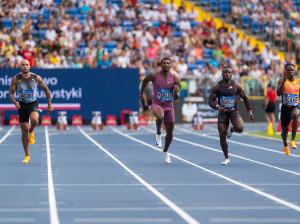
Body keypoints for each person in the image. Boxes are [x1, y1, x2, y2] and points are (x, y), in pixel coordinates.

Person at [9, 59, 53, 163]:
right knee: (24, 131)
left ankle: (32, 130)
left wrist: (49, 104)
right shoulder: (16, 79)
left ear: (30, 66)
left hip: (32, 104)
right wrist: (15, 102)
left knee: (34, 120)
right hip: (22, 105)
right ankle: (27, 155)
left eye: (27, 65)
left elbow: (46, 89)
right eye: (23, 65)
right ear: (21, 66)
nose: (25, 66)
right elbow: (11, 93)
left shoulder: (36, 78)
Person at [208, 66, 254, 165]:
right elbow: (210, 101)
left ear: (231, 74)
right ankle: (226, 158)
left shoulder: (236, 86)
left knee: (240, 128)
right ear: (222, 74)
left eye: (229, 72)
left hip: (233, 111)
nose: (227, 74)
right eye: (225, 72)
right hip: (223, 112)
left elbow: (245, 98)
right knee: (222, 134)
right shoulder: (217, 87)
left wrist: (249, 111)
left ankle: (232, 129)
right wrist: (217, 107)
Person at [140, 58, 180, 164]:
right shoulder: (154, 75)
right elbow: (144, 80)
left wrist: (176, 93)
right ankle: (158, 133)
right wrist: (141, 95)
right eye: (164, 63)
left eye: (168, 63)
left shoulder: (175, 78)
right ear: (161, 65)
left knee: (170, 133)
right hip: (157, 104)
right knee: (160, 116)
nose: (166, 64)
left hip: (169, 106)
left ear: (170, 65)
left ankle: (165, 151)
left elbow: (176, 99)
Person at [276, 64, 300, 155]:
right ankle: (285, 144)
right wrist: (284, 81)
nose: (290, 72)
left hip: (294, 107)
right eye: (288, 70)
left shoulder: (298, 81)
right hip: (285, 108)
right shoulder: (281, 81)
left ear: (295, 71)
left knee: (296, 114)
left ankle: (293, 140)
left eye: (292, 70)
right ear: (285, 71)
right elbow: (278, 93)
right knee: (284, 131)